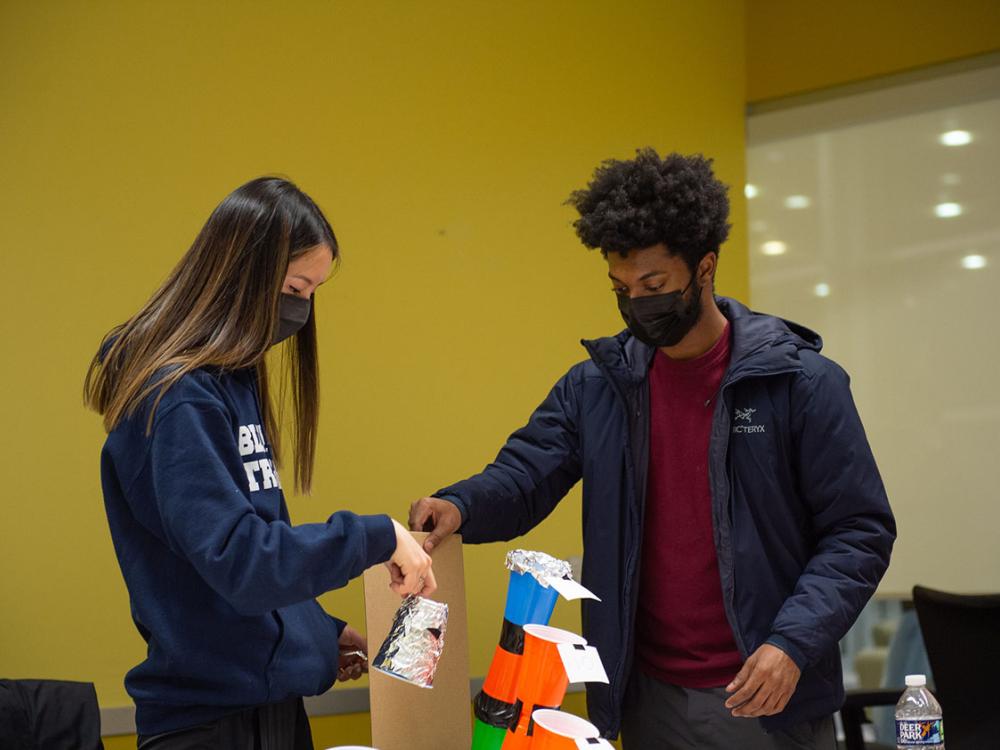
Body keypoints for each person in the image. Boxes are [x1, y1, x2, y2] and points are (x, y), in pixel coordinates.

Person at [409, 150, 895, 749]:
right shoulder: (599, 386)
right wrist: (459, 505)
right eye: (622, 287)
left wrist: (790, 643)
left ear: (705, 268)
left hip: (765, 694)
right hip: (646, 697)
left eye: (655, 285)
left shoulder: (800, 384)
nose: (637, 302)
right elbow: (523, 476)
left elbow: (859, 532)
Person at [85, 176, 436, 749]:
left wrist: (314, 631)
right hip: (208, 725)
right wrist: (377, 537)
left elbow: (251, 546)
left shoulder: (230, 380)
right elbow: (241, 562)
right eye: (296, 287)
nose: (301, 308)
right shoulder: (178, 398)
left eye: (313, 291)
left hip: (267, 711)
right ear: (240, 273)